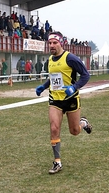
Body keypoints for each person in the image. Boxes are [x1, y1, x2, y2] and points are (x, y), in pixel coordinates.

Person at [35, 31, 92, 174]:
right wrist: (44, 86)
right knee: (54, 128)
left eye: (55, 42)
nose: (52, 45)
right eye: (50, 43)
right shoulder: (49, 60)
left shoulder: (71, 58)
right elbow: (54, 78)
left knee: (74, 131)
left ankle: (83, 123)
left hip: (71, 99)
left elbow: (85, 75)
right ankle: (57, 162)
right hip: (55, 99)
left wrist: (74, 87)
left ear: (61, 43)